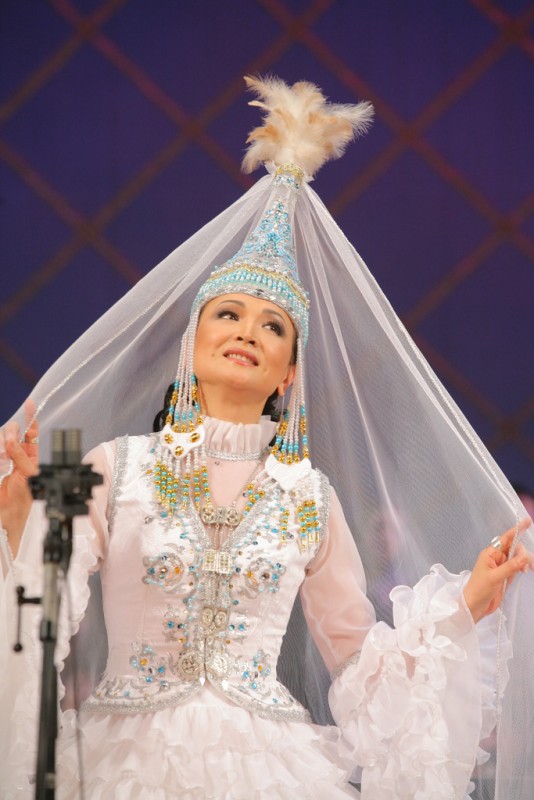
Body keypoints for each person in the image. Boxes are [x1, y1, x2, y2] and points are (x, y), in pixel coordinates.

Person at [1, 76, 533, 799]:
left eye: (272, 325)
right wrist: (17, 518)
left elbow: (358, 663)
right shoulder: (115, 466)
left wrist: (461, 606)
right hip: (122, 759)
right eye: (227, 315)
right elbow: (38, 612)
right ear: (191, 344)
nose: (247, 330)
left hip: (272, 769)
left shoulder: (308, 497)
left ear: (289, 373)